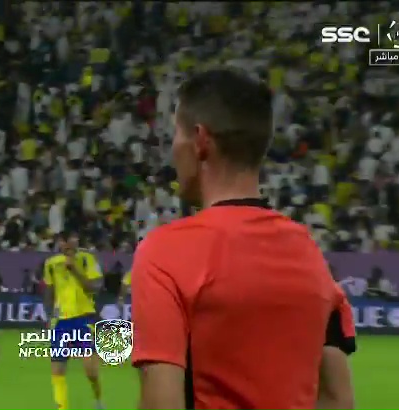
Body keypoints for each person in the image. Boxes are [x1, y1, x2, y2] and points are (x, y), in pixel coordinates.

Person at [130, 68, 356, 410]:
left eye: (176, 134)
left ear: (200, 140)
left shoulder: (166, 253)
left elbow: (162, 402)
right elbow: (338, 399)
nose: (173, 149)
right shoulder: (308, 253)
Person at [43, 232, 104, 410]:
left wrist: (74, 268)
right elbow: (49, 290)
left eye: (71, 239)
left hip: (84, 319)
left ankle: (98, 399)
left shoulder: (87, 260)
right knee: (57, 370)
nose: (67, 244)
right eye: (63, 240)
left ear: (77, 240)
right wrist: (49, 315)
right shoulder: (51, 264)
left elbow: (94, 287)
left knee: (91, 372)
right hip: (61, 321)